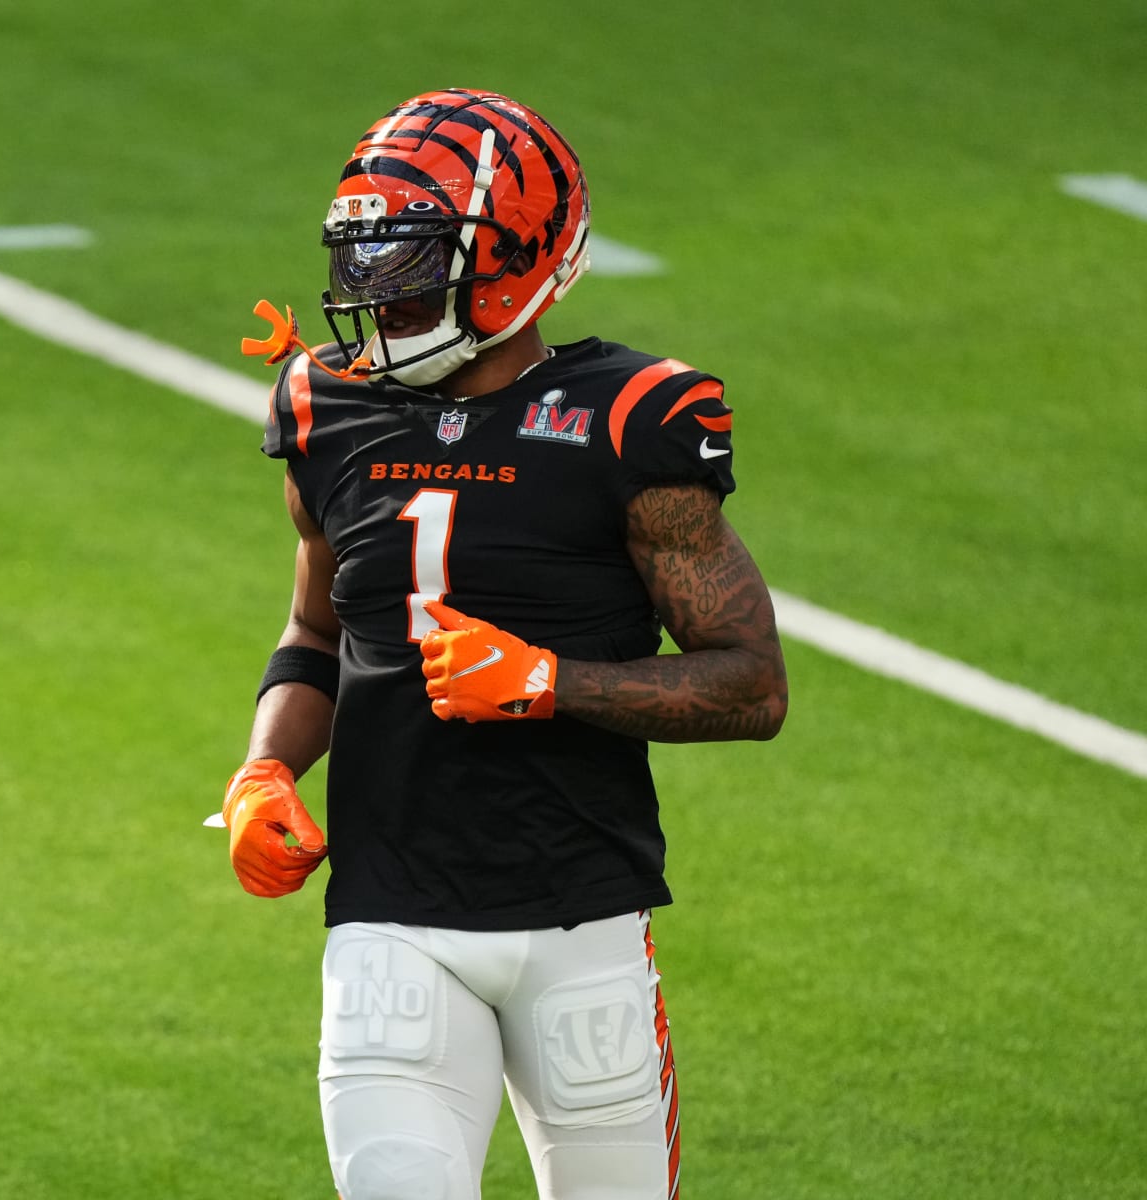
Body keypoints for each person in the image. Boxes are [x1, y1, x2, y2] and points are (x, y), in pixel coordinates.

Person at [221, 89, 788, 1200]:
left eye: (407, 260)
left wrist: (547, 682)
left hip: (580, 917)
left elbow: (751, 685)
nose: (373, 293)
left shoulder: (627, 417)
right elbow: (316, 631)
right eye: (363, 258)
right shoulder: (325, 405)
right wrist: (264, 769)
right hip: (389, 917)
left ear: (509, 261)